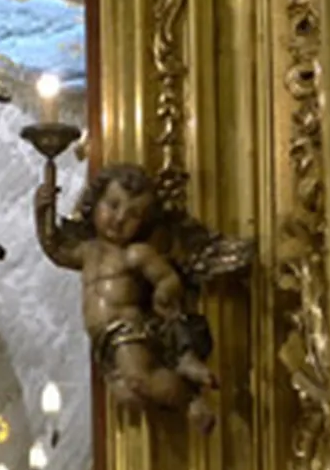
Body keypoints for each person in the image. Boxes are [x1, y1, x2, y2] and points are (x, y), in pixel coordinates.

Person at [34, 163, 217, 432]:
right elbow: (56, 249)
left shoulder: (135, 254)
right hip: (103, 342)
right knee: (129, 394)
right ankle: (171, 387)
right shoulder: (88, 251)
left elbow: (168, 278)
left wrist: (163, 295)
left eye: (133, 214)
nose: (119, 219)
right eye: (113, 205)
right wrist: (42, 213)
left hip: (127, 328)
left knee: (140, 379)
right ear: (95, 202)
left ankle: (190, 400)